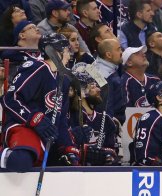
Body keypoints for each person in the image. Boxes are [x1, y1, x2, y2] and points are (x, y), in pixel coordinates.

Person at [0, 33, 79, 172]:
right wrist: (34, 118)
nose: (69, 55)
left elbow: (61, 122)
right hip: (25, 127)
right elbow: (10, 99)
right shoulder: (37, 68)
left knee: (71, 164)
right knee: (20, 162)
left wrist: (68, 147)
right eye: (67, 50)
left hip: (46, 135)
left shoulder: (64, 81)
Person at [69, 63, 118, 166]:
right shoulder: (68, 117)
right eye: (93, 86)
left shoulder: (107, 120)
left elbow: (114, 152)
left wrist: (106, 154)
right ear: (81, 91)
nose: (99, 90)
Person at [91, 38, 125, 124]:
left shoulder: (97, 67)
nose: (121, 52)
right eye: (118, 49)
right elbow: (105, 108)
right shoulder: (104, 76)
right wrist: (110, 127)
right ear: (108, 55)